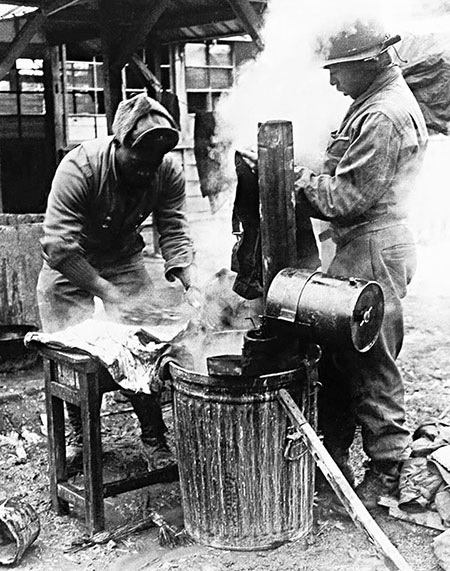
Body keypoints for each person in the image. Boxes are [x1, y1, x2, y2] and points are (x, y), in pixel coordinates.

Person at [294, 20, 428, 507]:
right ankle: (335, 456)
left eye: (338, 71)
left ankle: (387, 469)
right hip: (363, 244)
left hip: (373, 246)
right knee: (339, 351)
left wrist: (292, 177)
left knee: (370, 357)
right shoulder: (372, 103)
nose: (332, 82)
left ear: (369, 62)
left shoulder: (383, 115)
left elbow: (346, 197)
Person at [37, 92, 195, 469]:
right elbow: (59, 247)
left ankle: (154, 438)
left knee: (145, 345)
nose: (147, 170)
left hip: (123, 257)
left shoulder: (166, 170)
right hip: (71, 263)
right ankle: (79, 436)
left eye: (154, 162)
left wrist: (189, 277)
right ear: (119, 143)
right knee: (72, 353)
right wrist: (108, 295)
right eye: (139, 160)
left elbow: (173, 227)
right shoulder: (80, 168)